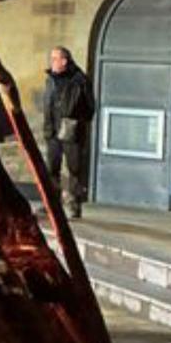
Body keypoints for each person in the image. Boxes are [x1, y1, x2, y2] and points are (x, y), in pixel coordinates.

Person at [42, 46, 95, 218]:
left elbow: (90, 108)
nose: (52, 62)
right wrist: (48, 127)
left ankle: (73, 206)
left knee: (74, 169)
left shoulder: (80, 80)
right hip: (53, 130)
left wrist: (76, 121)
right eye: (52, 58)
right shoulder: (50, 79)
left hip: (72, 130)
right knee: (51, 168)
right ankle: (52, 205)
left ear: (64, 61)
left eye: (55, 58)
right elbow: (47, 104)